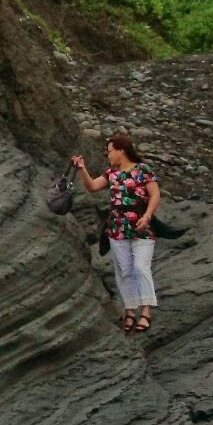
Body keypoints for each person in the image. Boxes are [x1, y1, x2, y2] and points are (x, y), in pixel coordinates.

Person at [70, 134, 162, 333]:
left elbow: (155, 194)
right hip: (118, 227)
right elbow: (92, 186)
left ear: (122, 150)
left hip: (141, 225)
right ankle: (130, 311)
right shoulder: (111, 173)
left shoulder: (142, 170)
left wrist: (147, 216)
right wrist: (82, 169)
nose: (108, 155)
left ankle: (146, 311)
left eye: (110, 151)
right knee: (124, 270)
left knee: (141, 267)